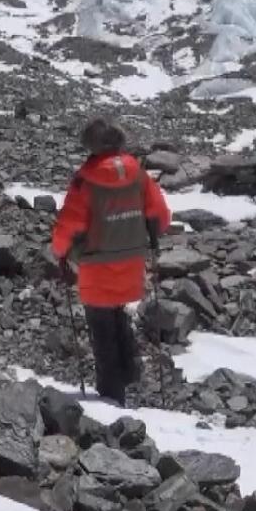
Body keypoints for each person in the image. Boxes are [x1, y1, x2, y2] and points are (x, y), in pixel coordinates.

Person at [49, 118, 171, 406]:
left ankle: (111, 399)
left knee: (101, 328)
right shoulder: (138, 174)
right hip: (132, 262)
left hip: (96, 266)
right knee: (118, 315)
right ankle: (128, 375)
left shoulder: (86, 181)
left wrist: (60, 252)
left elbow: (69, 225)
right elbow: (161, 217)